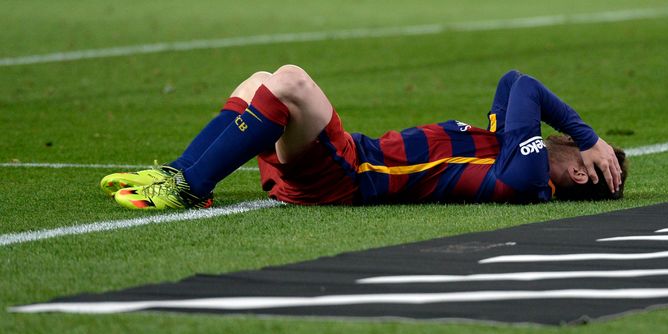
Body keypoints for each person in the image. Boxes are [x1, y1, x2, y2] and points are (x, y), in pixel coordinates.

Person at [100, 65, 627, 209]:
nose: (566, 139)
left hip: (350, 175)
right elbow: (512, 81)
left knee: (290, 81)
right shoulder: (509, 148)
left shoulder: (529, 175)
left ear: (581, 173)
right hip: (348, 163)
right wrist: (588, 142)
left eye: (581, 152)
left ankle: (189, 187)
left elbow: (528, 87)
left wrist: (587, 136)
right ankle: (182, 174)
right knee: (260, 81)